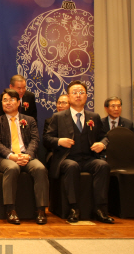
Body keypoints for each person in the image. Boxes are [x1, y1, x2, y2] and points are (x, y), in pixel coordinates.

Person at [43, 80, 113, 224]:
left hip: (88, 158)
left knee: (103, 165)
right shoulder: (58, 117)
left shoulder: (94, 117)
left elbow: (104, 136)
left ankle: (100, 208)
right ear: (68, 97)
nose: (78, 95)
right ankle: (74, 208)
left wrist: (102, 144)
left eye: (81, 92)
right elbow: (47, 138)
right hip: (66, 158)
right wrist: (59, 141)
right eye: (74, 93)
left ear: (86, 96)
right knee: (72, 166)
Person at [0, 89, 48, 225]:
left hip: (27, 156)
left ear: (18, 103)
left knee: (40, 168)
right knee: (12, 168)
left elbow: (35, 140)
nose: (8, 103)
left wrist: (27, 155)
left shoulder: (29, 120)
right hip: (6, 159)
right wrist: (12, 156)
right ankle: (10, 210)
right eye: (5, 100)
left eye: (11, 100)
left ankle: (41, 210)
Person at [42, 94, 69, 168]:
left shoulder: (76, 121)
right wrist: (59, 142)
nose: (60, 105)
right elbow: (46, 142)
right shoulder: (50, 121)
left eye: (64, 103)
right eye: (58, 103)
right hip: (55, 152)